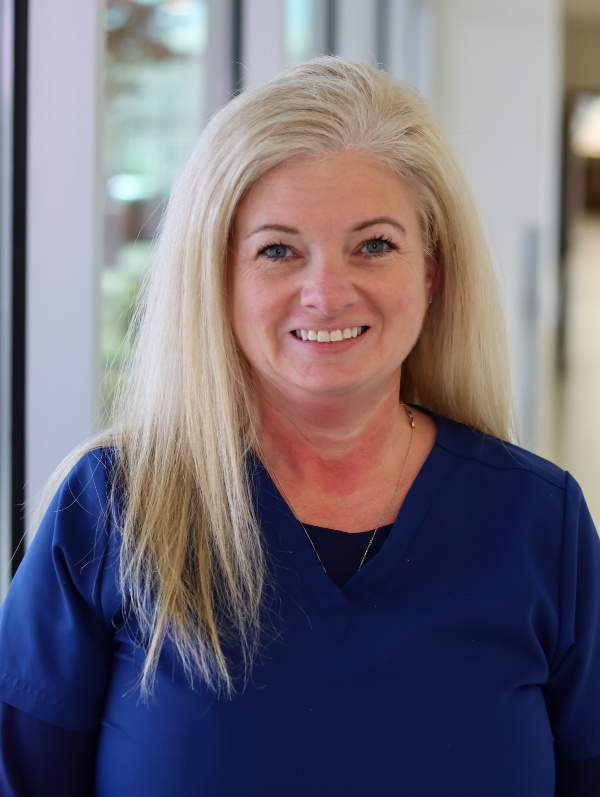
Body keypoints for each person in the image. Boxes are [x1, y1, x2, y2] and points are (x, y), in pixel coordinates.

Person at [0, 57, 599, 797]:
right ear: (218, 276)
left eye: (374, 244)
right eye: (277, 250)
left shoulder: (542, 523)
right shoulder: (110, 513)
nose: (326, 293)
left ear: (431, 273)